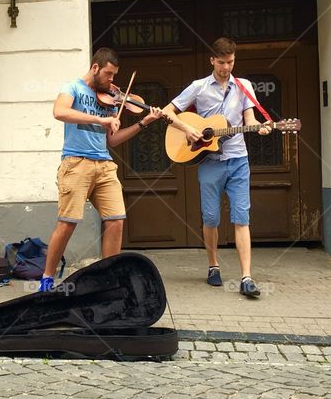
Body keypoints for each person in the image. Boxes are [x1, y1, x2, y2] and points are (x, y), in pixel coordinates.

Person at [38, 48, 164, 292]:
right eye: (108, 74)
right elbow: (59, 112)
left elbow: (113, 141)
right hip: (76, 163)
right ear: (95, 68)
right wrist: (100, 119)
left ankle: (108, 280)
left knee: (116, 220)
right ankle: (47, 278)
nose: (112, 81)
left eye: (115, 76)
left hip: (105, 165)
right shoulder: (72, 88)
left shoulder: (111, 99)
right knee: (68, 222)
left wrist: (142, 123)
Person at [163, 37, 271, 298]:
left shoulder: (243, 86)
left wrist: (261, 127)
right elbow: (167, 112)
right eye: (222, 62)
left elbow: (250, 118)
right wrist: (187, 128)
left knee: (241, 216)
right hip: (210, 162)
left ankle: (246, 277)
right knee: (211, 217)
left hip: (238, 160)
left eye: (231, 62)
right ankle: (214, 266)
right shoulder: (198, 87)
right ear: (212, 60)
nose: (226, 67)